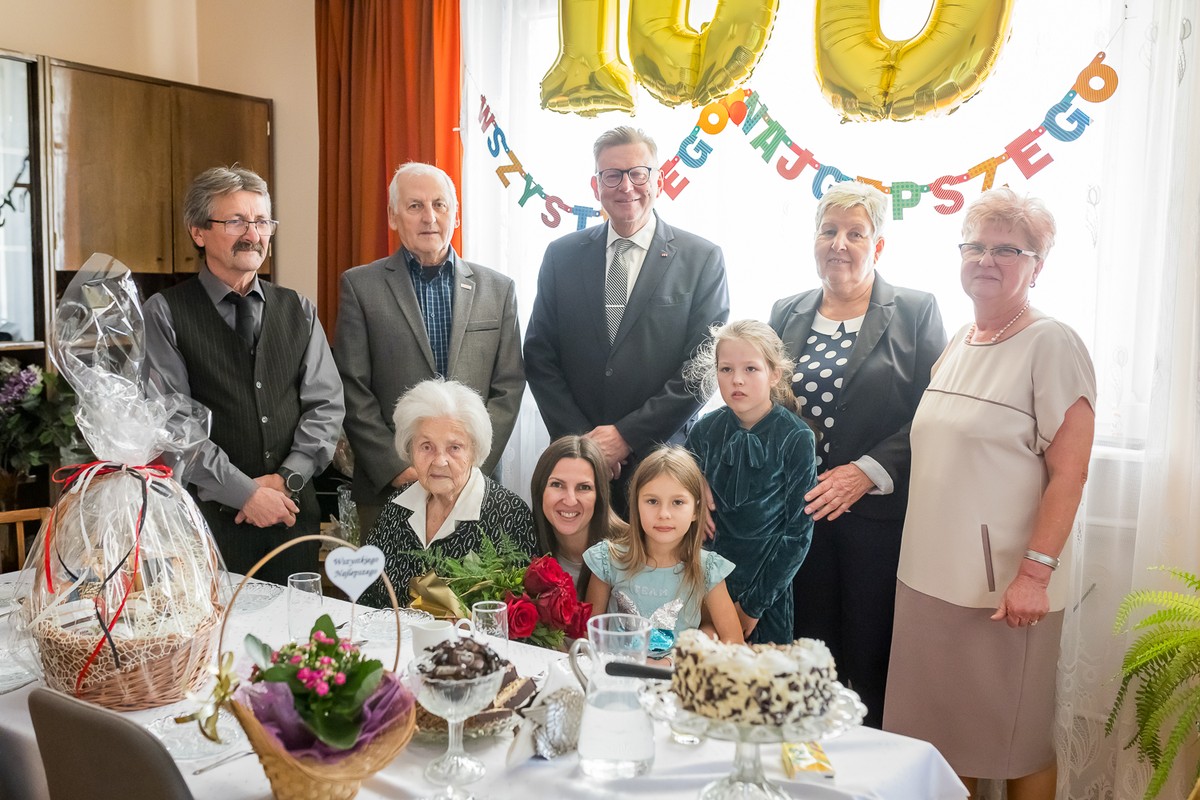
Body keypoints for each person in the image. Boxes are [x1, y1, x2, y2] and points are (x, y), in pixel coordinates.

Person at [883, 189, 1095, 799]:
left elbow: (1071, 473)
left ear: (1038, 266)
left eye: (1008, 249)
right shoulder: (959, 339)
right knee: (945, 742)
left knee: (1014, 743)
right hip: (927, 580)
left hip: (1001, 592)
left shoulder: (1052, 343)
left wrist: (1035, 573)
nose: (987, 258)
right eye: (975, 245)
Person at [769, 181, 946, 727]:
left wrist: (866, 472)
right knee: (805, 662)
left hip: (875, 520)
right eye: (828, 231)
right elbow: (760, 400)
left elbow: (932, 410)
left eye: (855, 233)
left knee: (871, 665)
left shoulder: (916, 310)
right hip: (797, 519)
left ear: (879, 245)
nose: (839, 244)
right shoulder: (785, 311)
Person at [144, 166, 344, 585]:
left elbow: (325, 406)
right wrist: (247, 494)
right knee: (215, 647)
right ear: (198, 232)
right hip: (206, 523)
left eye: (261, 221)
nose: (253, 234)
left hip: (292, 519)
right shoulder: (165, 313)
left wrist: (288, 478)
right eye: (236, 221)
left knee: (298, 642)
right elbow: (175, 426)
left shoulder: (299, 309)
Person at [524, 126, 729, 515]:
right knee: (576, 574)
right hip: (577, 467)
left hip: (661, 464)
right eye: (612, 175)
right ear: (595, 184)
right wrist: (586, 445)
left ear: (659, 179)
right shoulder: (560, 256)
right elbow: (539, 355)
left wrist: (626, 436)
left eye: (638, 173)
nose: (626, 186)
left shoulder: (702, 258)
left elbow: (703, 368)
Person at [334, 162, 525, 534]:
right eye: (415, 206)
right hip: (392, 484)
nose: (429, 217)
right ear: (393, 216)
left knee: (475, 589)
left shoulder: (498, 289)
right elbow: (351, 386)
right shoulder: (361, 287)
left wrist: (469, 465)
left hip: (475, 484)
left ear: (455, 215)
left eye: (439, 205)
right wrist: (397, 468)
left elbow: (509, 386)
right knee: (389, 592)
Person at [684, 320, 817, 645]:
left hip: (765, 593)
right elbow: (673, 485)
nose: (737, 379)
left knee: (759, 683)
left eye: (751, 369)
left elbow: (798, 535)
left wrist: (753, 605)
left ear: (774, 374)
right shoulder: (704, 431)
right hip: (704, 583)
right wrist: (690, 482)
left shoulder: (796, 438)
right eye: (726, 369)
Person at [360, 379, 537, 608]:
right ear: (410, 449)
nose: (439, 461)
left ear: (474, 450)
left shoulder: (509, 513)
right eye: (426, 446)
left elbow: (517, 615)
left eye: (454, 448)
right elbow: (368, 595)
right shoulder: (397, 505)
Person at [583, 447, 742, 645]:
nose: (664, 513)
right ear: (636, 505)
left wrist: (676, 662)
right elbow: (589, 635)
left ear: (696, 510)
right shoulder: (609, 558)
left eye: (677, 502)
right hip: (616, 672)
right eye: (652, 501)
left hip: (676, 675)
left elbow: (733, 641)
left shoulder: (708, 569)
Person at [530, 436, 628, 600]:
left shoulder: (630, 549)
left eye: (584, 487)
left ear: (600, 494)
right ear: (540, 490)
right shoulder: (525, 544)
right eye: (557, 485)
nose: (570, 500)